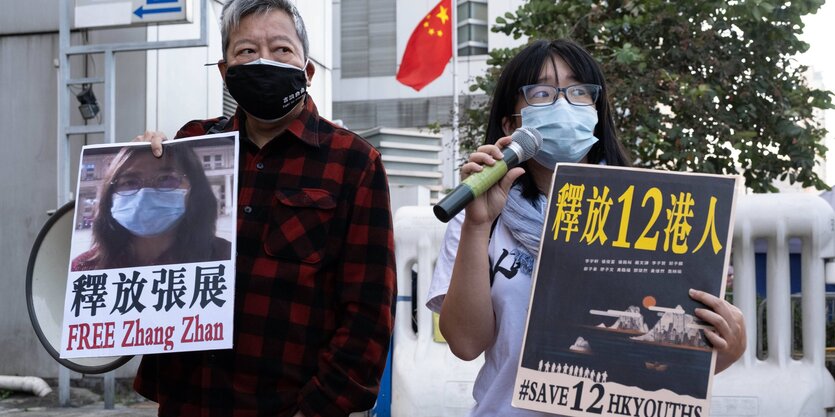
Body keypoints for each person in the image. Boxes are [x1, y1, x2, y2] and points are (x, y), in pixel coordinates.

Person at [426, 39, 746, 416]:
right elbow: (465, 343)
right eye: (542, 92)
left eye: (579, 91)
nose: (564, 103)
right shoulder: (477, 216)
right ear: (511, 123)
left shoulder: (655, 214)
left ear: (596, 110)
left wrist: (728, 347)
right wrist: (478, 227)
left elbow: (672, 365)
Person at [132, 0, 397, 416]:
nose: (264, 62)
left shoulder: (354, 162)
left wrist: (316, 407)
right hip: (188, 400)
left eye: (281, 50)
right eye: (247, 51)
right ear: (225, 71)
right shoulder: (193, 146)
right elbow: (145, 264)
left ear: (307, 72)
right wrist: (140, 167)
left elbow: (368, 311)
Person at [71, 143, 231, 271]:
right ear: (109, 194)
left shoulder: (223, 257)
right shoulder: (85, 268)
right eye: (130, 182)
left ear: (194, 188)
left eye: (166, 179)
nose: (144, 194)